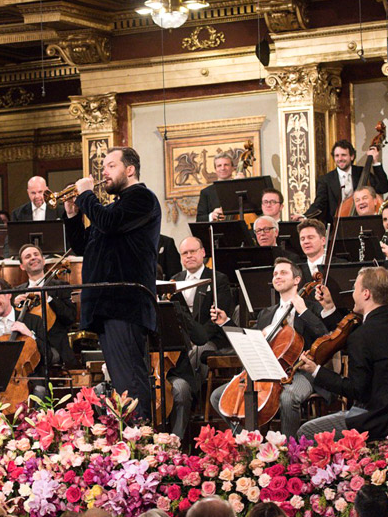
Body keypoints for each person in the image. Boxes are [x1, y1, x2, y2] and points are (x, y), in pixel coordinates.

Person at [64, 147, 161, 421]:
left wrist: (86, 196)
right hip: (108, 304)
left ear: (129, 170)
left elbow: (108, 224)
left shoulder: (142, 198)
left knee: (130, 377)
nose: (103, 173)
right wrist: (73, 214)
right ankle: (135, 437)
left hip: (125, 303)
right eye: (103, 167)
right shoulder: (113, 207)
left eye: (110, 166)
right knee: (121, 381)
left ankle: (143, 437)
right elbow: (82, 244)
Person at [209, 258, 330, 434]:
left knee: (288, 398)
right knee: (217, 397)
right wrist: (226, 322)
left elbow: (325, 336)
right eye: (275, 274)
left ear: (297, 280)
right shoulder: (267, 313)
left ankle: (290, 451)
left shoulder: (311, 308)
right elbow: (249, 340)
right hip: (264, 372)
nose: (277, 276)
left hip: (299, 372)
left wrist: (303, 311)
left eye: (283, 273)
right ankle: (248, 443)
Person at [297, 266, 388, 438]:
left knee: (306, 432)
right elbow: (348, 335)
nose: (352, 294)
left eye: (355, 289)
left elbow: (356, 390)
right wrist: (330, 307)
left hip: (375, 418)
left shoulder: (362, 335)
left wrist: (316, 371)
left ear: (366, 294)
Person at [170, 237, 234, 381]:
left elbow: (219, 318)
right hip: (182, 339)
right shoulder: (174, 279)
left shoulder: (218, 279)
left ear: (203, 252)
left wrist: (197, 338)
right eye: (185, 253)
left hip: (210, 339)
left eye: (193, 251)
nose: (189, 256)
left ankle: (189, 391)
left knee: (198, 351)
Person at [14, 243, 78, 367]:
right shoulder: (16, 292)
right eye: (28, 256)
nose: (33, 257)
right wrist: (13, 307)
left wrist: (48, 298)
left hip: (55, 349)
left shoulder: (62, 287)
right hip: (25, 349)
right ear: (22, 266)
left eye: (36, 254)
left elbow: (70, 317)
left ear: (43, 261)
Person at [305, 140, 388, 222]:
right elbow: (319, 204)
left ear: (352, 156)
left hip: (364, 222)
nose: (340, 159)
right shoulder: (325, 180)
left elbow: (383, 188)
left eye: (343, 155)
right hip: (336, 227)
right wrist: (305, 216)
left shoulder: (362, 172)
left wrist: (375, 162)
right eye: (337, 156)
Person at [197, 154, 236, 222]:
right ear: (215, 169)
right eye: (219, 165)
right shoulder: (206, 192)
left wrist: (241, 182)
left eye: (226, 165)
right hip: (217, 230)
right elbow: (199, 219)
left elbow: (257, 212)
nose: (223, 168)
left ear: (233, 168)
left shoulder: (240, 187)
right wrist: (211, 216)